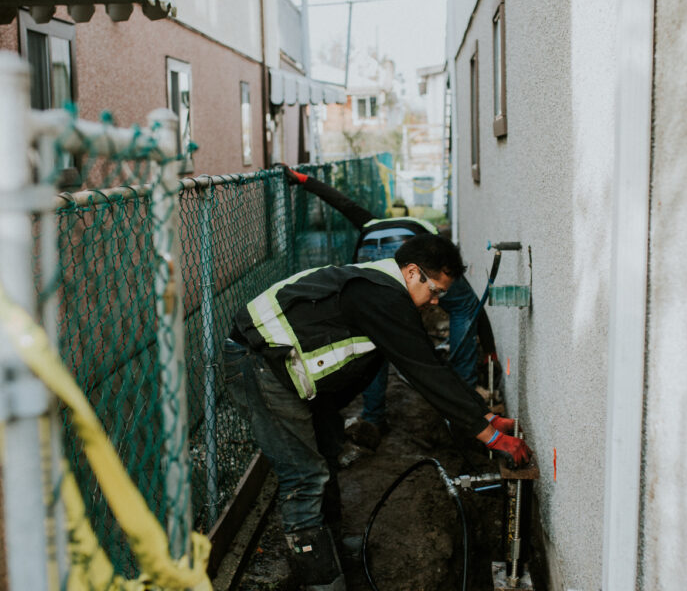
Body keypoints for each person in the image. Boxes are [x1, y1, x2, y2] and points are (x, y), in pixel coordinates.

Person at [224, 234, 530, 590]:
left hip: (287, 367)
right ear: (412, 272)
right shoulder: (380, 296)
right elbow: (423, 373)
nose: (435, 301)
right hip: (259, 364)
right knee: (304, 474)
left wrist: (485, 416)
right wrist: (490, 436)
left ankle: (332, 550)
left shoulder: (385, 291)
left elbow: (429, 361)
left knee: (326, 451)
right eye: (435, 291)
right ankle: (320, 579)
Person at [282, 166, 501, 447]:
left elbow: (341, 202)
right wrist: (489, 347)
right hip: (410, 254)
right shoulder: (427, 238)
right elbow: (473, 306)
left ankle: (373, 418)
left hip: (369, 255)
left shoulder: (370, 223)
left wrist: (304, 180)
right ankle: (464, 396)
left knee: (376, 335)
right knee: (463, 307)